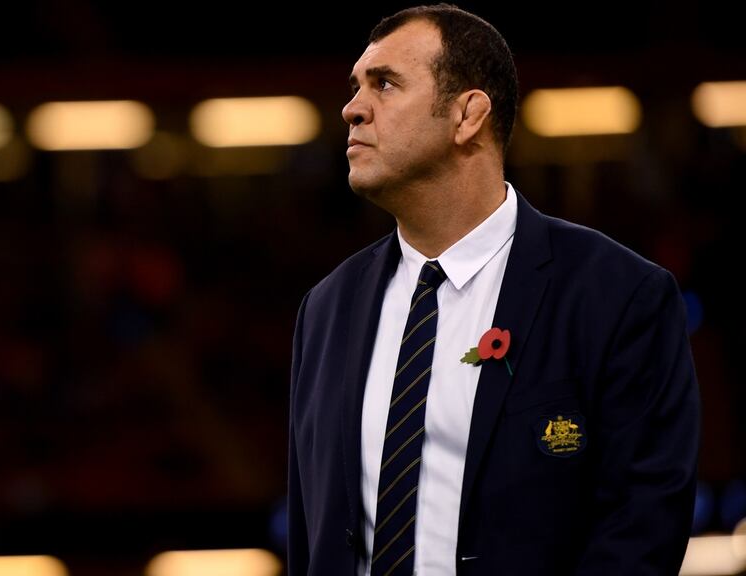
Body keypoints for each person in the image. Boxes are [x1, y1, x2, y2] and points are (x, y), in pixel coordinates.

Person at [286, 4, 699, 576]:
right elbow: (311, 536)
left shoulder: (619, 295)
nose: (352, 109)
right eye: (355, 87)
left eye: (384, 84)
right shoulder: (326, 308)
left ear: (467, 115)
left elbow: (642, 532)